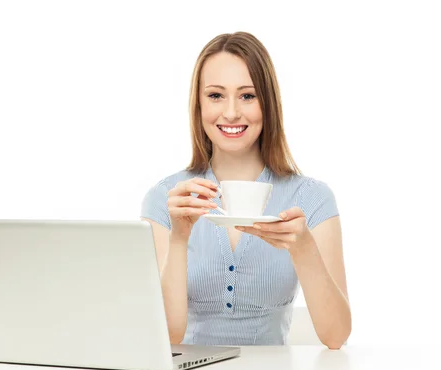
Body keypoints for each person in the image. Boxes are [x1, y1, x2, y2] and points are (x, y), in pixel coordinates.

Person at [140, 32, 350, 349]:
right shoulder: (167, 198)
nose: (231, 113)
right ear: (197, 105)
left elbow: (336, 337)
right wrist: (179, 238)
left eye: (247, 96)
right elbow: (168, 336)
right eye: (215, 95)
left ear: (268, 103)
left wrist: (303, 248)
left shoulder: (311, 198)